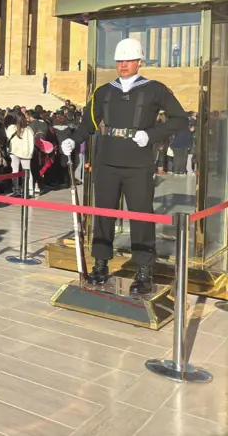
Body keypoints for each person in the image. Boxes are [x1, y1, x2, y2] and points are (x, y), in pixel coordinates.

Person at [62, 38, 187, 294]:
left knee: (141, 216)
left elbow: (179, 119)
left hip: (137, 164)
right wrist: (73, 141)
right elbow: (89, 123)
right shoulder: (103, 91)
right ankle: (101, 262)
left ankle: (143, 270)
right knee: (104, 214)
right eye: (120, 61)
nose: (124, 65)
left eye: (129, 60)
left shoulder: (155, 89)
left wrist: (151, 135)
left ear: (140, 62)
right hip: (106, 162)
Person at [5, 112, 35, 197]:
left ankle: (16, 190)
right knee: (28, 171)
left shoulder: (11, 128)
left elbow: (7, 137)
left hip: (14, 152)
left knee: (15, 171)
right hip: (26, 153)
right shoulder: (29, 129)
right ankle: (30, 190)